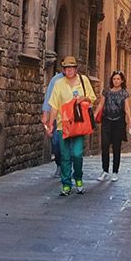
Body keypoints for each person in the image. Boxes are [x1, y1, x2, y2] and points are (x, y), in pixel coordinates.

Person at [46, 56, 96, 196]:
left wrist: (83, 99)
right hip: (63, 126)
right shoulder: (58, 84)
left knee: (77, 154)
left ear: (75, 69)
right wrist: (51, 123)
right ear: (63, 69)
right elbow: (54, 106)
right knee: (65, 156)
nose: (69, 70)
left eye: (72, 68)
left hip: (79, 125)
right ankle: (66, 184)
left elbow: (92, 98)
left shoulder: (83, 81)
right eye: (67, 68)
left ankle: (78, 178)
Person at [98, 70, 131, 182]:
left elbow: (127, 108)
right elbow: (101, 104)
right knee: (105, 146)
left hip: (118, 122)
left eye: (118, 79)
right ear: (112, 80)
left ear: (122, 80)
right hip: (106, 121)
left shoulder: (124, 93)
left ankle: (115, 172)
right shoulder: (106, 92)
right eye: (114, 79)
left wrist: (130, 121)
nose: (116, 81)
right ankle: (105, 170)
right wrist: (94, 115)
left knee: (116, 147)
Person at [41, 68, 64, 177]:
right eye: (66, 67)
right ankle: (59, 164)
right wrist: (46, 113)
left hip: (72, 120)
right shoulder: (55, 80)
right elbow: (49, 97)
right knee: (55, 143)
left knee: (70, 145)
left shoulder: (79, 80)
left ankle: (67, 167)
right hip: (56, 117)